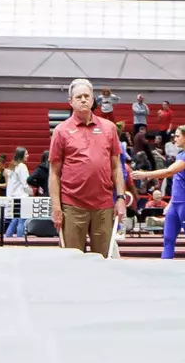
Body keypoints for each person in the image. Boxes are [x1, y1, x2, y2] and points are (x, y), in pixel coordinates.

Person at [48, 78, 127, 257]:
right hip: (72, 206)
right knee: (72, 262)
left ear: (93, 100)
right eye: (79, 97)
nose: (83, 100)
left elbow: (116, 168)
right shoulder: (61, 131)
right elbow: (54, 173)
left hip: (103, 206)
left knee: (105, 259)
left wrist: (121, 198)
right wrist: (56, 207)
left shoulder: (109, 128)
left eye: (86, 96)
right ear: (71, 102)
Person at [129, 124, 185, 259]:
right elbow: (177, 180)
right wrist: (171, 203)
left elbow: (169, 171)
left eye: (177, 136)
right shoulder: (181, 154)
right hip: (176, 204)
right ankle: (165, 271)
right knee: (168, 240)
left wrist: (146, 175)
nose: (174, 139)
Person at [3, 147, 32, 238]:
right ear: (22, 155)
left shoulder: (12, 166)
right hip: (22, 196)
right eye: (26, 154)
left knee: (15, 219)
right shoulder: (22, 166)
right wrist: (30, 192)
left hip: (14, 196)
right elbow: (25, 183)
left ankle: (8, 236)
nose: (28, 156)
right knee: (21, 220)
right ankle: (20, 239)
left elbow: (10, 184)